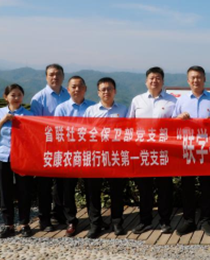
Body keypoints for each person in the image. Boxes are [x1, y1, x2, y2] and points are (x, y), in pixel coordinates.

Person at [173, 65, 210, 237]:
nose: (196, 80)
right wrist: (179, 118)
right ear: (188, 81)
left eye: (199, 77)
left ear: (204, 79)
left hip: (206, 149)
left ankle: (205, 220)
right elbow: (172, 124)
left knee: (206, 186)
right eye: (193, 77)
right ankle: (188, 220)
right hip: (187, 149)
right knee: (187, 186)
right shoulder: (181, 100)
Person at [127, 67, 177, 235]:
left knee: (165, 188)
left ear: (163, 81)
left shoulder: (172, 101)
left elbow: (177, 126)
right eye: (151, 78)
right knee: (145, 189)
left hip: (165, 151)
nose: (154, 81)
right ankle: (145, 221)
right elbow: (129, 124)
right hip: (142, 152)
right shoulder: (137, 100)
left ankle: (165, 221)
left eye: (158, 78)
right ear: (146, 81)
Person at [83, 77, 128, 238]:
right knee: (93, 192)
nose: (106, 92)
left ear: (114, 91)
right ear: (98, 92)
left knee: (117, 191)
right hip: (95, 156)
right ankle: (95, 224)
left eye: (109, 89)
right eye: (103, 89)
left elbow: (129, 131)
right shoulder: (91, 111)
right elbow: (84, 133)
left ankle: (117, 222)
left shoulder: (123, 110)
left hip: (116, 156)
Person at [0, 84, 34, 238]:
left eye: (19, 95)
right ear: (5, 97)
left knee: (24, 190)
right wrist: (3, 120)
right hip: (2, 155)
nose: (16, 98)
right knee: (5, 191)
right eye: (13, 95)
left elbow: (34, 138)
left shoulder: (29, 115)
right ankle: (8, 225)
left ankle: (24, 224)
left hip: (23, 157)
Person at [53, 76, 96, 237]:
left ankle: (94, 220)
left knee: (92, 188)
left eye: (80, 86)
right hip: (69, 154)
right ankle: (71, 220)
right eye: (73, 87)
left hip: (90, 153)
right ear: (68, 89)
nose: (77, 89)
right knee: (67, 190)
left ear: (85, 89)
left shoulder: (93, 107)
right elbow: (57, 132)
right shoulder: (61, 108)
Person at [30, 63, 70, 231]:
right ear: (46, 77)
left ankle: (59, 214)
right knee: (44, 185)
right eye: (51, 74)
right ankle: (44, 219)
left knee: (62, 184)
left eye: (58, 74)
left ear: (63, 76)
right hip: (46, 147)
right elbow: (35, 126)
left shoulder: (69, 94)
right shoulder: (38, 98)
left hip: (65, 147)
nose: (55, 77)